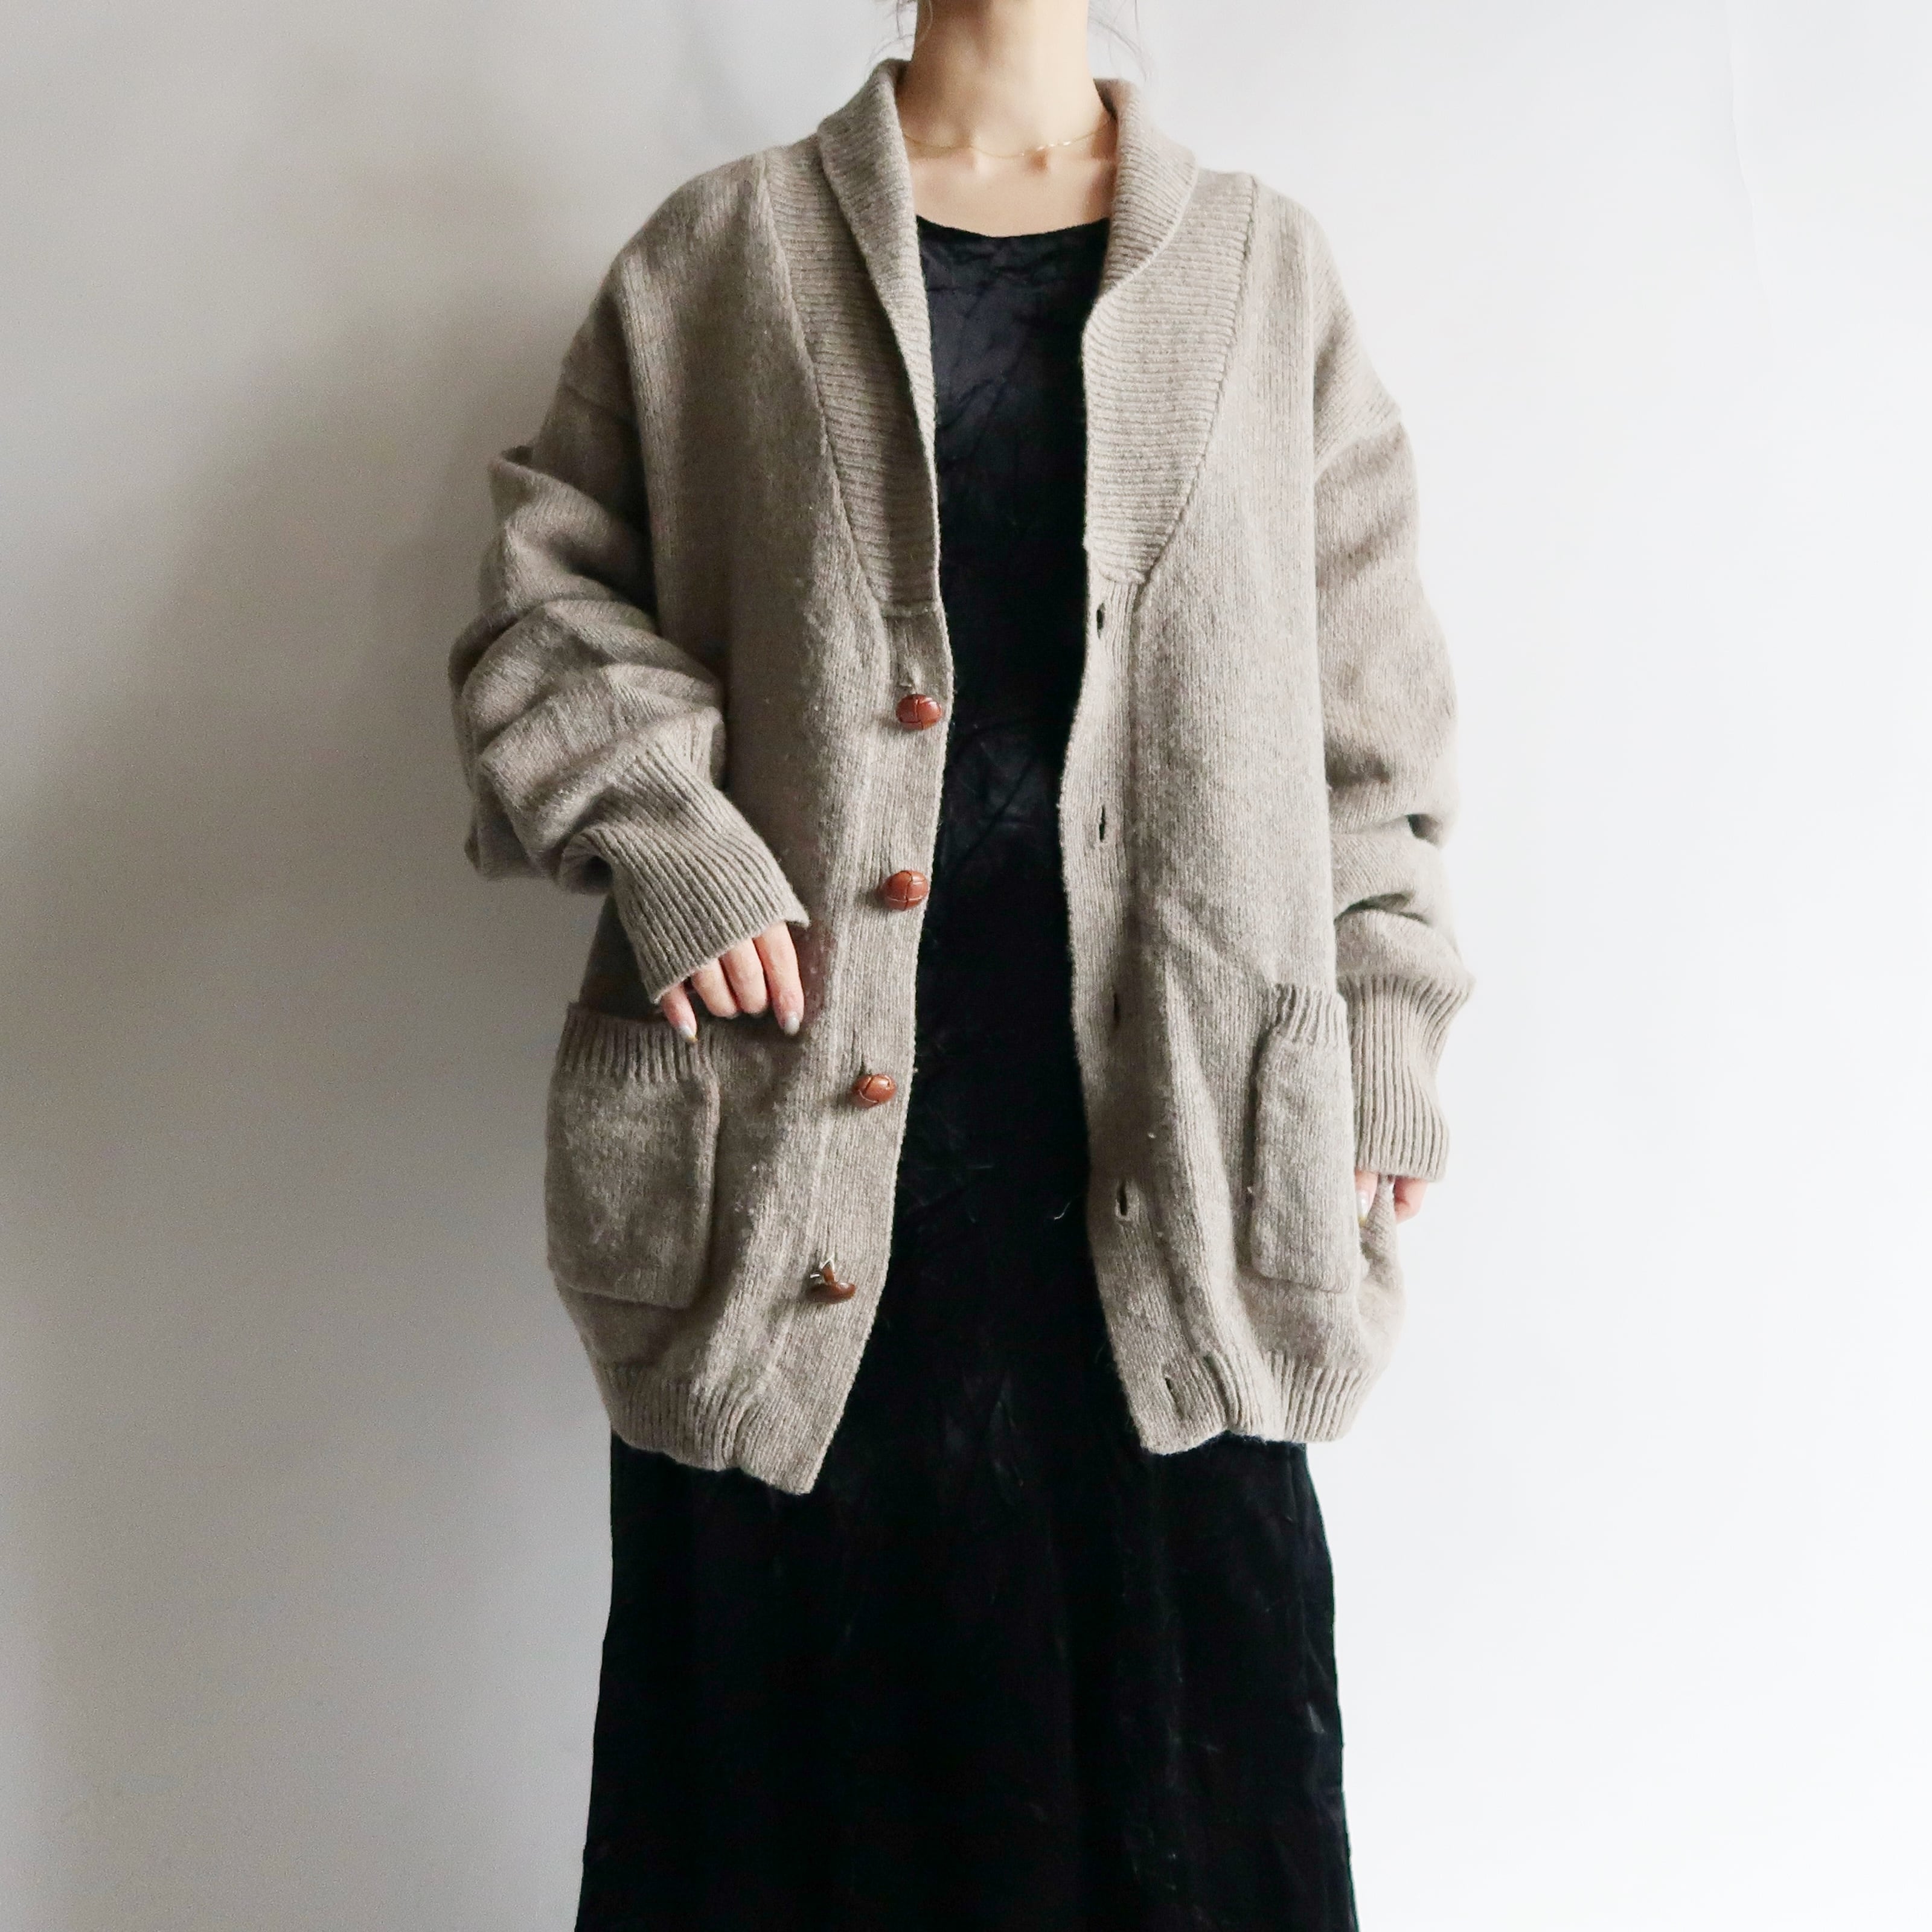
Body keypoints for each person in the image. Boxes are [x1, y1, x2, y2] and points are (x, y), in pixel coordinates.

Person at [447, 4, 1473, 1925]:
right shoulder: (721, 255)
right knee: (788, 1825)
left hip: (1171, 1191)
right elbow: (539, 609)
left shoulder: (1265, 274)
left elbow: (1376, 738)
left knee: (1187, 1818)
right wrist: (672, 837)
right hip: (798, 1204)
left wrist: (1389, 1028)